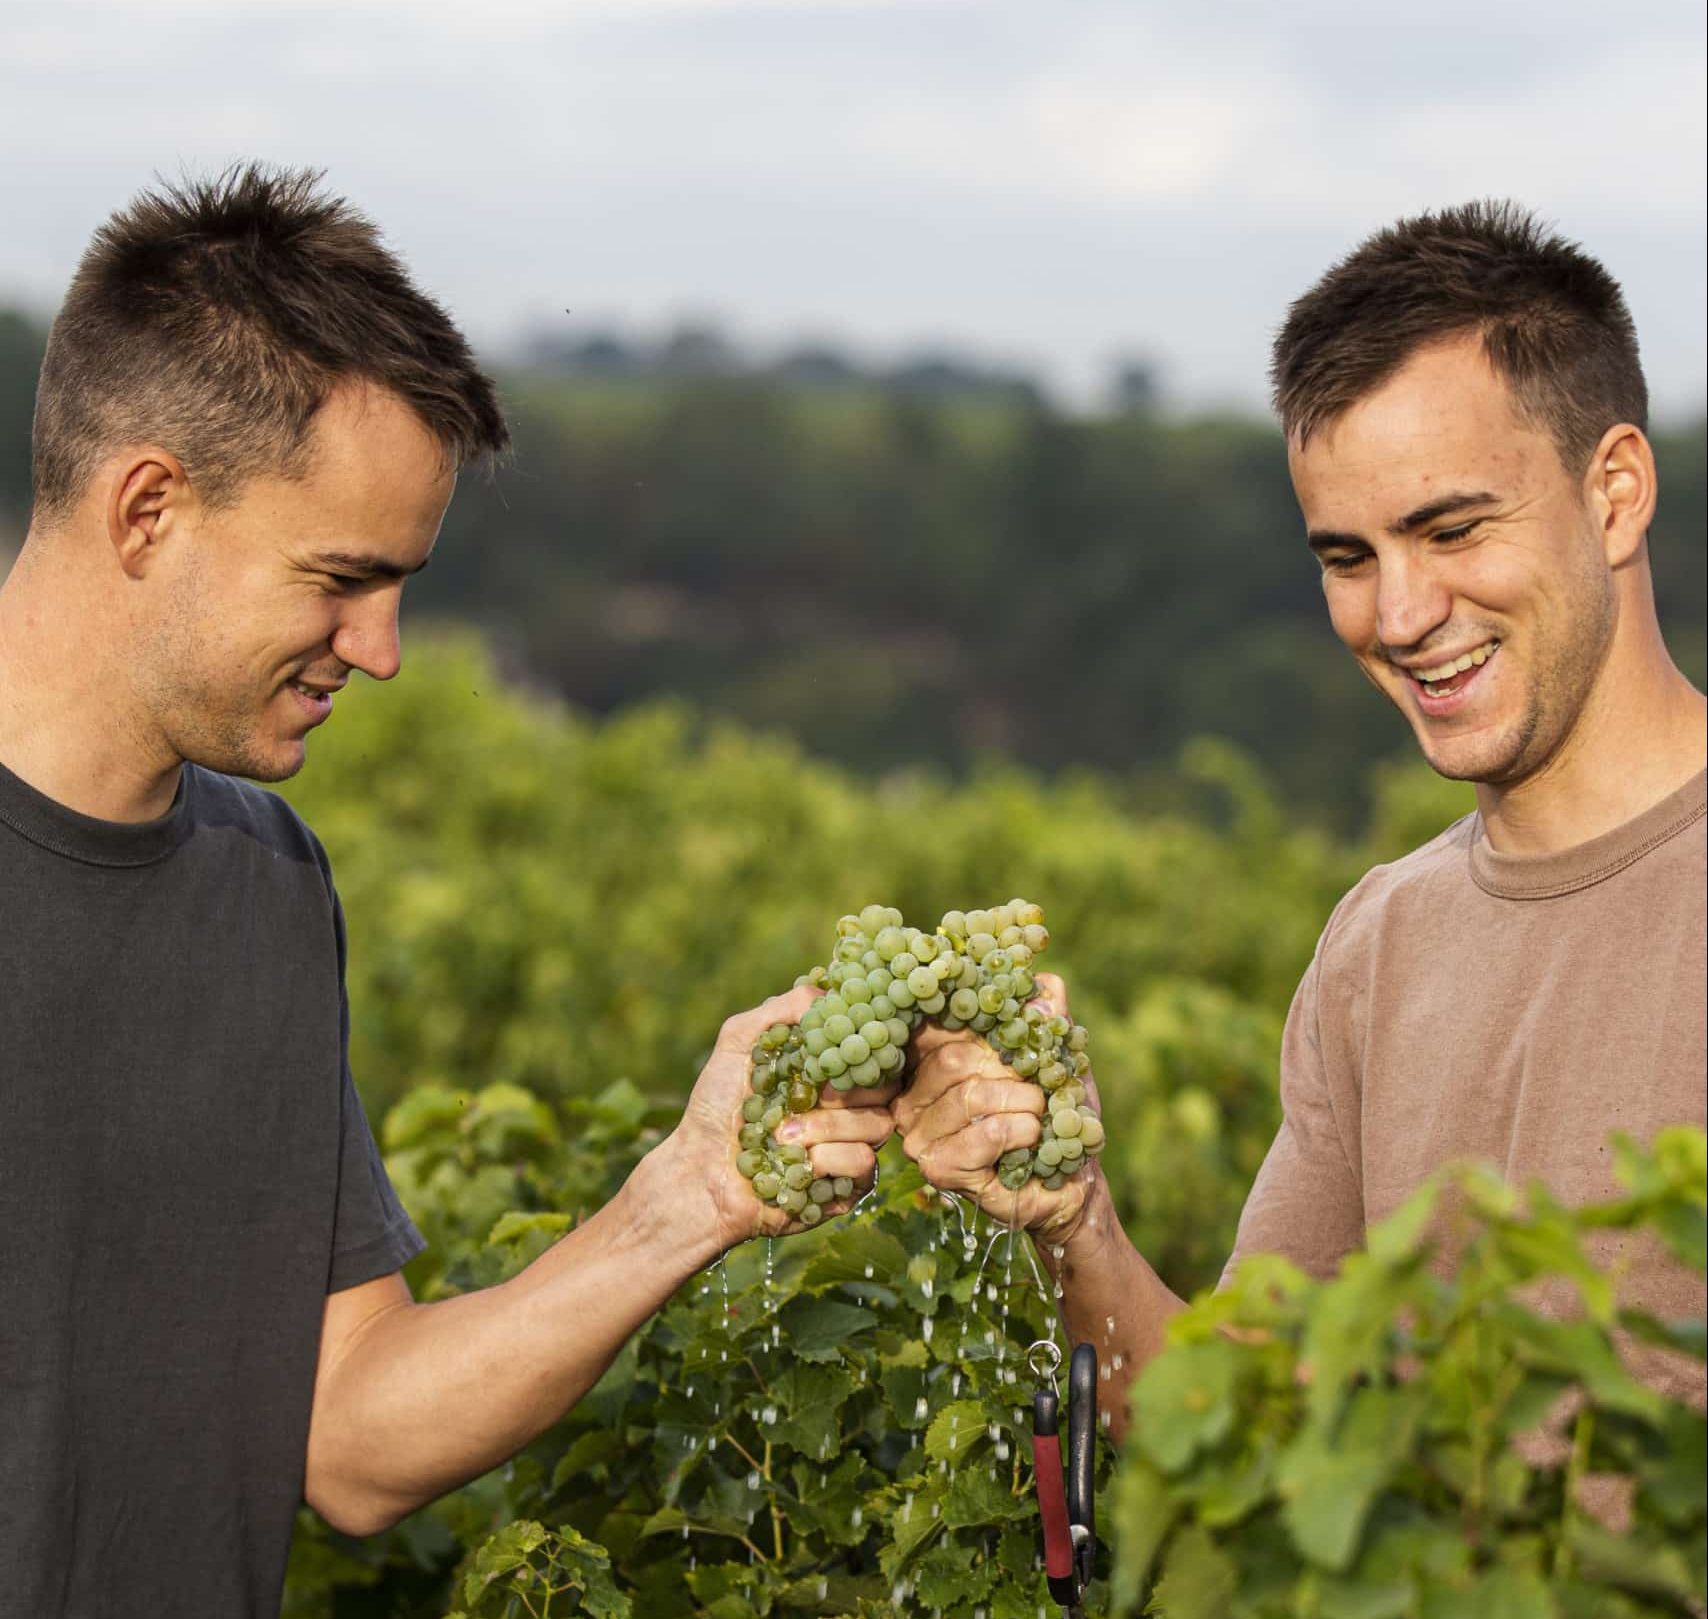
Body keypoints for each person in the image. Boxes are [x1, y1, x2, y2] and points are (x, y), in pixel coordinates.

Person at [0, 166, 893, 1617]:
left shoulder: (265, 886)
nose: (386, 646)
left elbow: (346, 1433)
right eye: (342, 576)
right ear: (150, 507)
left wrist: (694, 1191)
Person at [894, 200, 1707, 1434]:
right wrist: (1072, 1217)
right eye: (1347, 557)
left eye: (1450, 529)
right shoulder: (1380, 945)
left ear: (1615, 492)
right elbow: (1243, 1427)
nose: (1399, 613)